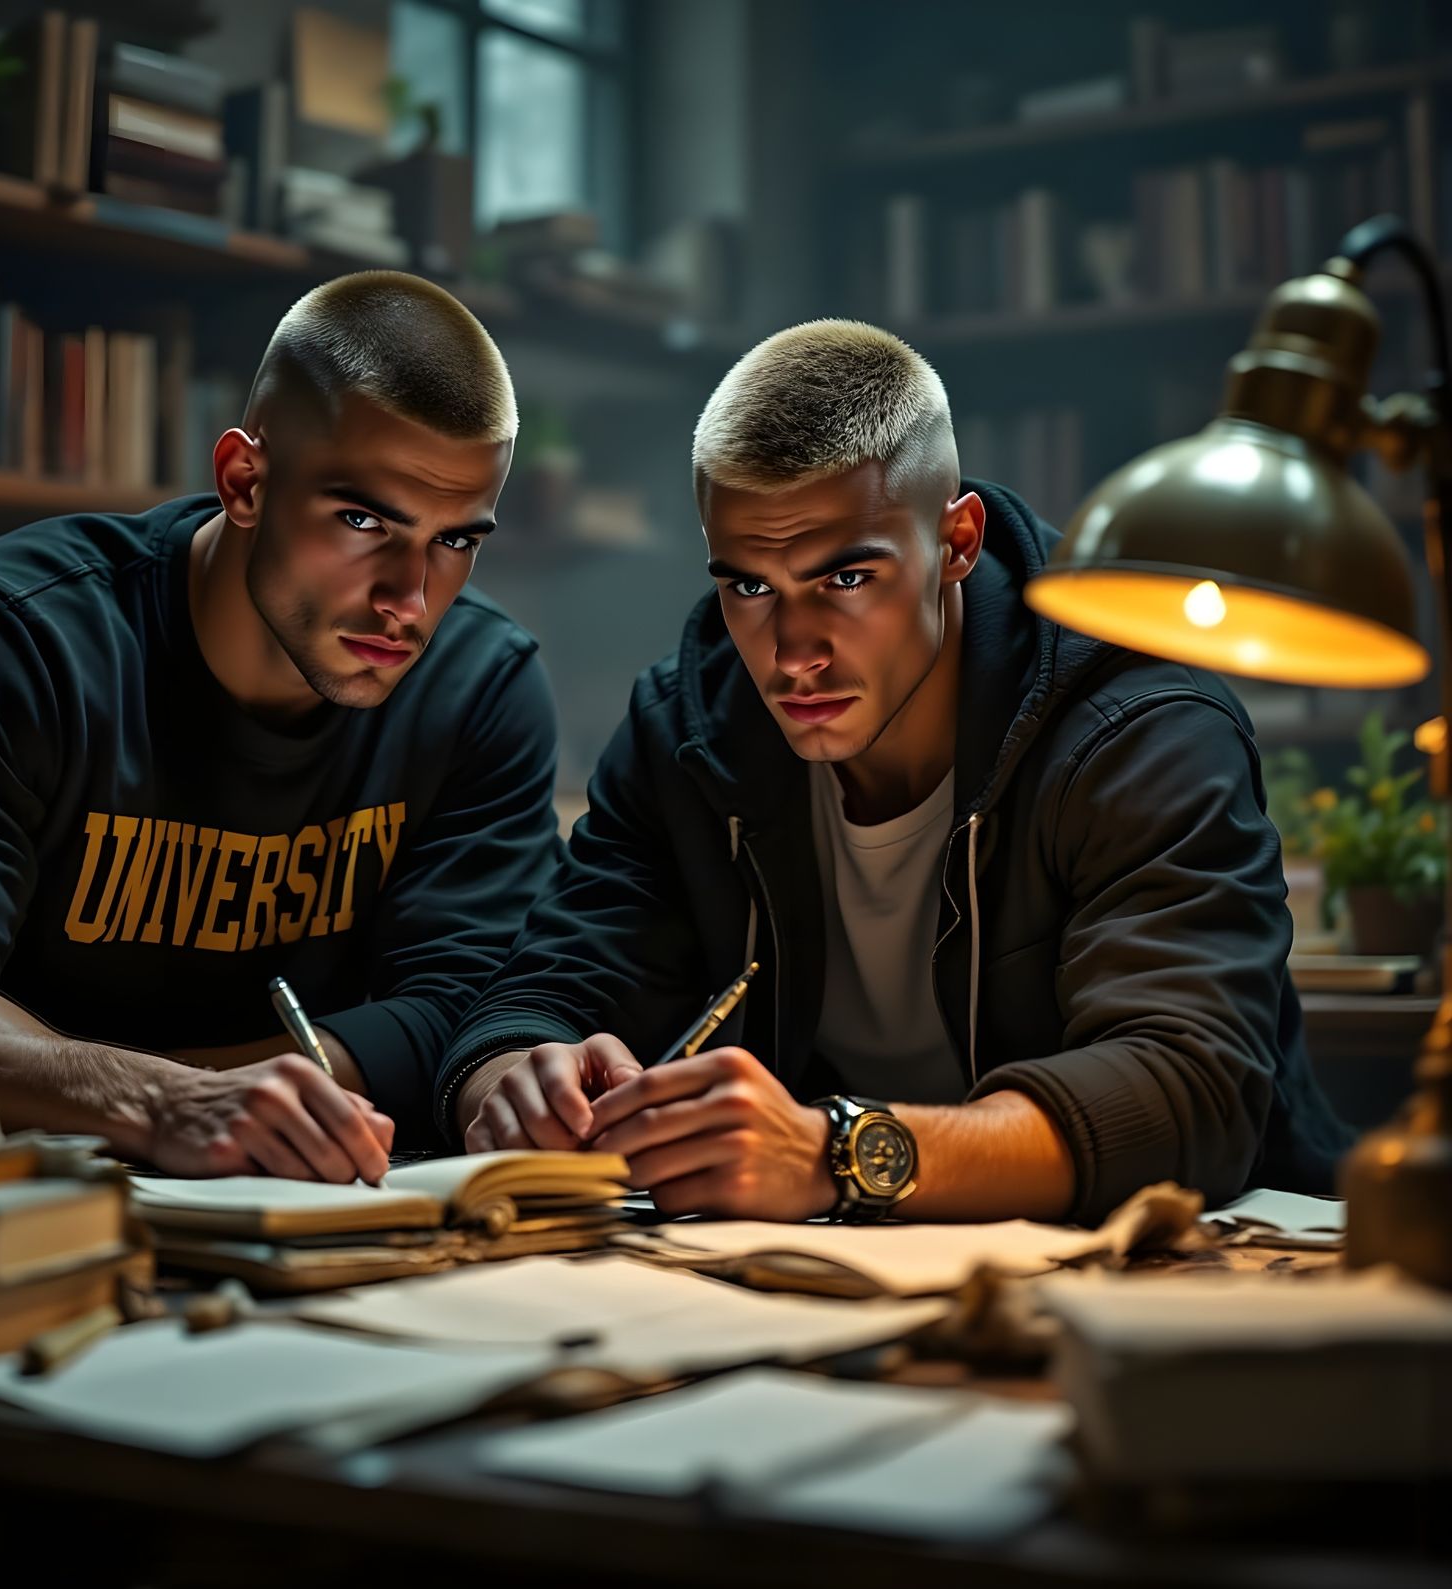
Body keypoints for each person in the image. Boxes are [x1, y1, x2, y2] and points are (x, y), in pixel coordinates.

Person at [439, 318, 1351, 1225]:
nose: (793, 655)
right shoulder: (688, 727)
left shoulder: (1138, 724)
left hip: (1185, 1274)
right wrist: (516, 1074)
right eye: (750, 586)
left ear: (955, 544)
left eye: (845, 581)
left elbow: (1190, 1092)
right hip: (819, 1280)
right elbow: (544, 988)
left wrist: (842, 1152)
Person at [0, 271, 561, 1183]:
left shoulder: (480, 685)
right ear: (244, 481)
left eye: (456, 539)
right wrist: (162, 1103)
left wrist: (219, 1106)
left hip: (310, 1214)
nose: (410, 601)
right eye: (362, 520)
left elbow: (465, 999)